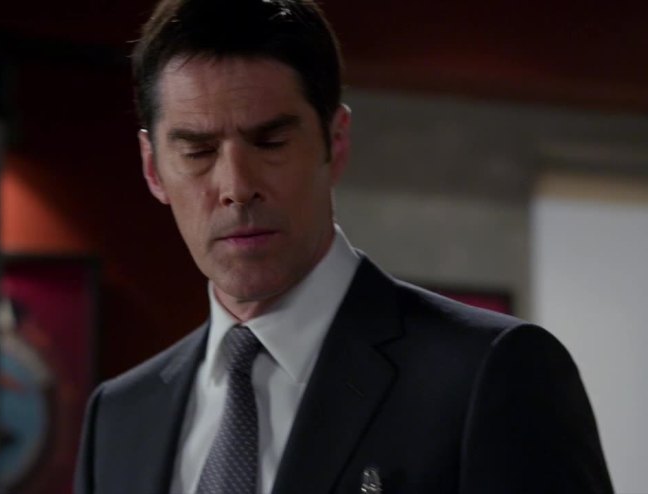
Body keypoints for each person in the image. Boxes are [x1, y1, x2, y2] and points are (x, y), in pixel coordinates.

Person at [74, 0, 613, 492]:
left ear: (335, 141)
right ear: (153, 169)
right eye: (198, 152)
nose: (236, 186)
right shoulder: (119, 417)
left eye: (271, 142)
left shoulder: (490, 374)